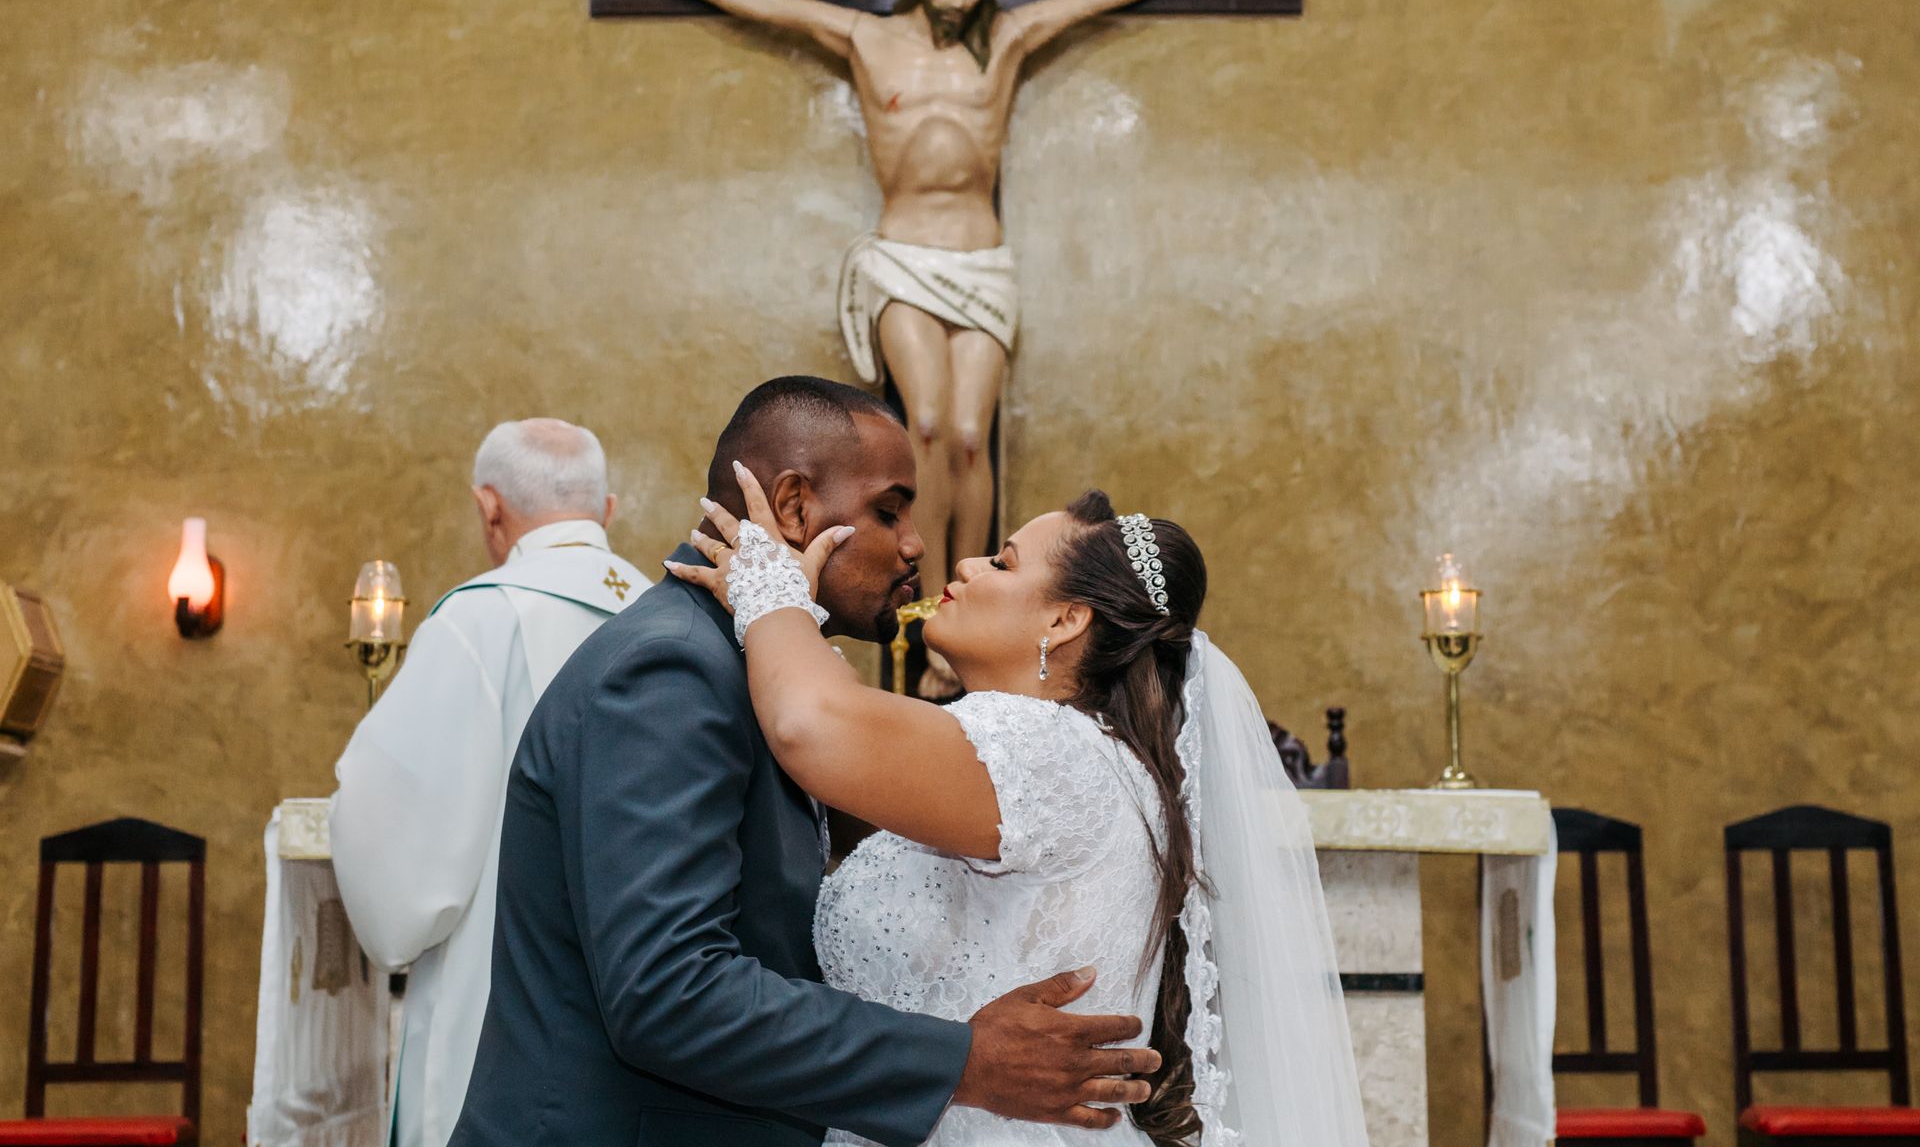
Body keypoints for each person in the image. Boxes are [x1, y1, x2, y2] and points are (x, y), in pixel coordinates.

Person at [449, 376, 1160, 1147]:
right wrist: (959, 1061)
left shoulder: (759, 669)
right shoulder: (670, 672)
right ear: (793, 508)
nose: (919, 545)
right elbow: (669, 991)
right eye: (890, 510)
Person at [669, 461, 1372, 1146]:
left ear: (1065, 620)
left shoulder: (1047, 752)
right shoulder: (1074, 757)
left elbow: (811, 727)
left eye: (1002, 563)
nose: (966, 567)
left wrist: (770, 589)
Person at [634, 0, 1239, 697]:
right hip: (904, 253)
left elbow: (1088, 0)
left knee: (965, 436)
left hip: (981, 260)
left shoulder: (1007, 40)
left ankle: (962, 604)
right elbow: (778, 6)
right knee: (921, 426)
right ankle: (918, 607)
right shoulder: (868, 37)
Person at [330, 418, 647, 1147]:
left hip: (501, 1009)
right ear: (607, 511)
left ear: (489, 507)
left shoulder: (478, 620)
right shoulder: (679, 619)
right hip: (651, 1015)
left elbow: (397, 838)